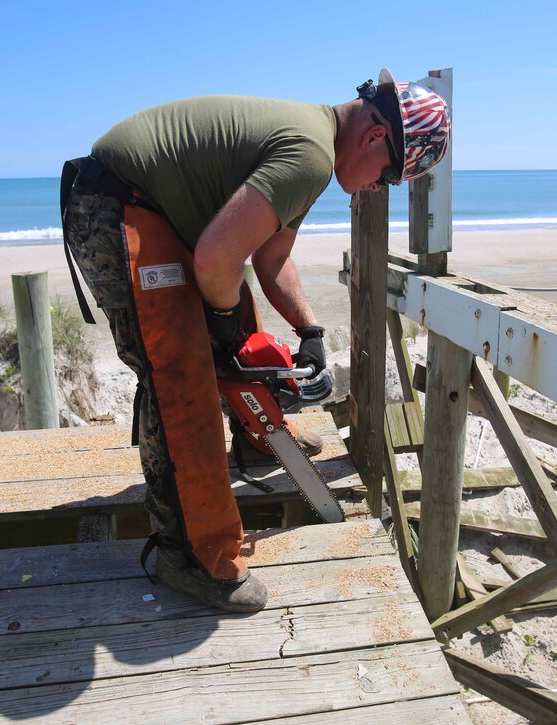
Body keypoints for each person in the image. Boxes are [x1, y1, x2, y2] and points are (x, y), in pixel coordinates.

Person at [59, 69, 450, 612]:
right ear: (375, 136)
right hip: (113, 205)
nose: (378, 187)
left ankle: (258, 436)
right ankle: (192, 556)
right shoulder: (309, 156)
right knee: (181, 373)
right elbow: (217, 259)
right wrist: (217, 320)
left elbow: (269, 258)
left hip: (143, 202)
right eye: (387, 176)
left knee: (233, 310)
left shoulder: (315, 149)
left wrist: (308, 331)